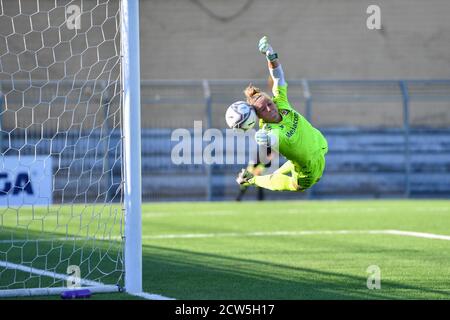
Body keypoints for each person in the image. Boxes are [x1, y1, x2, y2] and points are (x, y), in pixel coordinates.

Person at [236, 36, 328, 192]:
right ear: (259, 117)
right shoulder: (269, 131)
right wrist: (263, 139)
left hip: (321, 146)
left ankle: (261, 175)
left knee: (285, 167)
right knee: (293, 184)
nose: (270, 109)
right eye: (263, 110)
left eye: (269, 103)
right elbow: (273, 138)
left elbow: (278, 77)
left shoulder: (280, 102)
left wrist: (270, 55)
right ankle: (252, 180)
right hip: (307, 172)